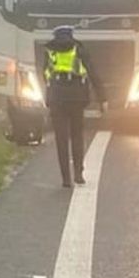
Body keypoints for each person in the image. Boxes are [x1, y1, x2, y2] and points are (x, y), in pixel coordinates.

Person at [41, 26, 106, 188]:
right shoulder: (79, 48)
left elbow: (45, 73)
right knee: (77, 135)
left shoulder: (49, 50)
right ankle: (78, 173)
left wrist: (51, 92)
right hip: (77, 97)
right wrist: (102, 98)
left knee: (61, 139)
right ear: (71, 34)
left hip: (57, 98)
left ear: (55, 35)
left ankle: (65, 178)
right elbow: (93, 73)